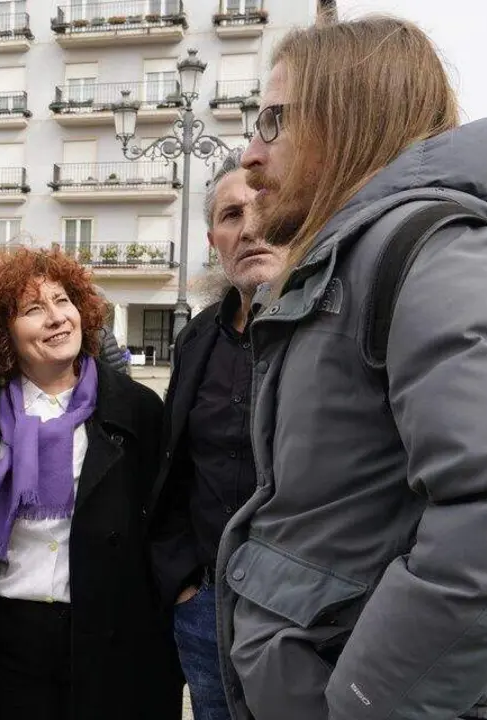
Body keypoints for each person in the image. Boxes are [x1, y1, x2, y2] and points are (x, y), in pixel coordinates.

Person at [214, 16, 487, 720]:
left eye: (272, 120)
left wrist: (372, 702)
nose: (250, 153)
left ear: (351, 116)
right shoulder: (355, 262)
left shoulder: (437, 251)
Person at [0, 246, 183, 720]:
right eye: (33, 310)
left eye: (63, 301)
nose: (57, 319)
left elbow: (166, 518)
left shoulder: (137, 408)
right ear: (3, 331)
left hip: (109, 632)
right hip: (2, 636)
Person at [148, 155, 288, 720]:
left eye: (267, 208)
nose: (250, 227)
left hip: (299, 614)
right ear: (214, 239)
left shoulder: (332, 327)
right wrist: (182, 580)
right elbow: (177, 462)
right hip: (205, 605)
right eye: (232, 215)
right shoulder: (197, 337)